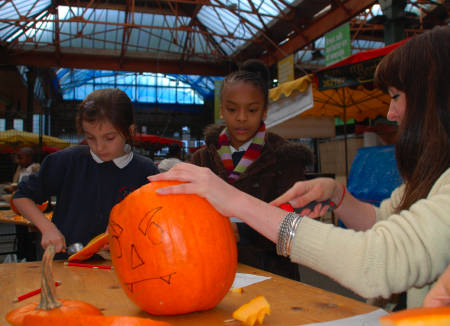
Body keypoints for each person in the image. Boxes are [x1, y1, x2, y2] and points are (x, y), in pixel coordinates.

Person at [149, 26, 450, 308]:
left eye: (396, 97)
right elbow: (384, 219)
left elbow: (376, 260)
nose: (390, 113)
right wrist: (338, 196)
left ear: (435, 99)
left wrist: (234, 201)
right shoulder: (434, 175)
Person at [188, 59, 313, 280]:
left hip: (274, 275)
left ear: (264, 111)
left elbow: (295, 224)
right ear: (222, 110)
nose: (242, 117)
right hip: (211, 272)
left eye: (252, 109)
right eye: (232, 109)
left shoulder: (286, 159)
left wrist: (242, 233)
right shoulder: (202, 160)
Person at [13, 88, 159, 257]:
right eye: (90, 137)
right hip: (66, 264)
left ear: (130, 131)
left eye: (109, 138)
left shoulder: (146, 171)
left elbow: (155, 220)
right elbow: (21, 197)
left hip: (122, 268)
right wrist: (47, 229)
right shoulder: (66, 161)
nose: (99, 147)